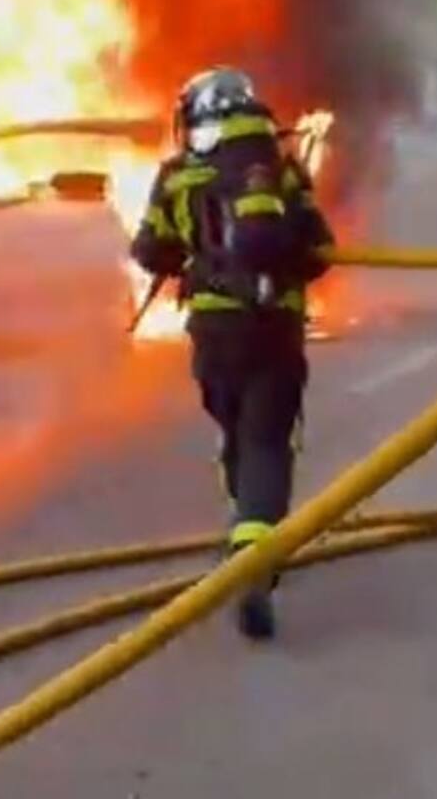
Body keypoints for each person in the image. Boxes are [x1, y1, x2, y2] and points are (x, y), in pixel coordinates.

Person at [131, 67, 335, 640]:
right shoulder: (279, 168)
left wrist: (192, 259)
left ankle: (243, 534)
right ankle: (255, 559)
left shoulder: (176, 177)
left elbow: (148, 248)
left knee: (234, 428)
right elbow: (321, 249)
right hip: (275, 327)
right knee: (268, 439)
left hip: (214, 331)